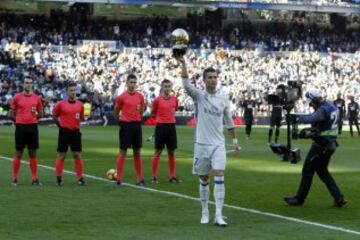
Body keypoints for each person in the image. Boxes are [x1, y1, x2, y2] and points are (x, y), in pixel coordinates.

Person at [177, 57, 240, 227]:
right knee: (204, 178)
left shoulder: (223, 98)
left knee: (219, 175)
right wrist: (183, 64)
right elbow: (185, 83)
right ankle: (205, 211)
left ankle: (219, 215)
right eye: (209, 77)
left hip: (218, 145)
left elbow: (229, 121)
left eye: (214, 77)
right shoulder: (199, 95)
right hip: (201, 144)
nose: (212, 80)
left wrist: (234, 140)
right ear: (204, 80)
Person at [284, 89, 346, 207]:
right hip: (330, 145)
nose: (311, 105)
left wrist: (296, 118)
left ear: (315, 100)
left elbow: (313, 118)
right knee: (322, 171)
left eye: (311, 102)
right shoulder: (331, 105)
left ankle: (299, 199)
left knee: (307, 171)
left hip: (321, 146)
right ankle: (339, 198)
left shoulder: (322, 110)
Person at [9, 76, 43, 186]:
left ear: (32, 84)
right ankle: (14, 178)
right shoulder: (17, 97)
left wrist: (33, 119)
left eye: (30, 83)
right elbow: (10, 113)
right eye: (26, 82)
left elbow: (41, 113)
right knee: (19, 152)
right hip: (21, 127)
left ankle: (34, 178)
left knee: (32, 153)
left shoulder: (37, 98)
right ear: (23, 84)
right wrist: (18, 121)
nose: (28, 84)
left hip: (32, 127)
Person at [114, 74, 146, 186]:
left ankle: (140, 179)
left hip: (136, 125)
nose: (132, 85)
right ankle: (118, 178)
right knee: (123, 151)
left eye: (134, 82)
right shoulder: (122, 97)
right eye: (131, 82)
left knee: (137, 152)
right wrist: (122, 120)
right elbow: (116, 111)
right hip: (125, 125)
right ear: (127, 83)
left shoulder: (140, 96)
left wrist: (136, 118)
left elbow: (141, 111)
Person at [52, 81, 85, 186]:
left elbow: (82, 118)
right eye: (71, 90)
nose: (73, 92)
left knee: (77, 155)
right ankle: (58, 178)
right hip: (64, 132)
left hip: (75, 132)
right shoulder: (60, 104)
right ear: (67, 92)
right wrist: (60, 126)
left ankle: (80, 178)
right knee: (61, 155)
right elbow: (54, 116)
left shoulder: (80, 105)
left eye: (74, 90)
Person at [150, 79, 181, 184]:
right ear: (162, 87)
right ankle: (154, 177)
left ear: (171, 87)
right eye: (165, 86)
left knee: (171, 151)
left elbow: (175, 109)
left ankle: (172, 176)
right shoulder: (157, 100)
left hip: (171, 126)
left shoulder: (175, 99)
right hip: (161, 127)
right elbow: (153, 113)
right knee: (158, 151)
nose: (167, 88)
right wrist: (161, 119)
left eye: (169, 86)